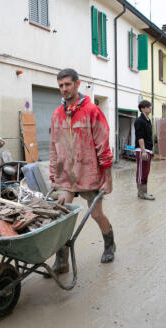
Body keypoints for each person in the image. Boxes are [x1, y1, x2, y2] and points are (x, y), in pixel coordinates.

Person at [49, 68, 115, 273]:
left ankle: (109, 244)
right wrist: (53, 175)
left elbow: (103, 145)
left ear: (77, 84)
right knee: (62, 217)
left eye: (68, 84)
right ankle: (62, 261)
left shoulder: (92, 110)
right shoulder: (57, 114)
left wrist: (107, 177)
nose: (64, 89)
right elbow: (53, 147)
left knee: (96, 214)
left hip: (89, 174)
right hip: (66, 176)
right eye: (61, 85)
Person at [134, 100, 155, 200]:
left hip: (148, 149)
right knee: (142, 172)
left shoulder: (148, 120)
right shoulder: (140, 121)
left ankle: (142, 193)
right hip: (142, 150)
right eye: (148, 107)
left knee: (146, 171)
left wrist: (151, 150)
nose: (150, 108)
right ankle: (142, 193)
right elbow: (140, 137)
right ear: (142, 108)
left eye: (150, 106)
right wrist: (143, 151)